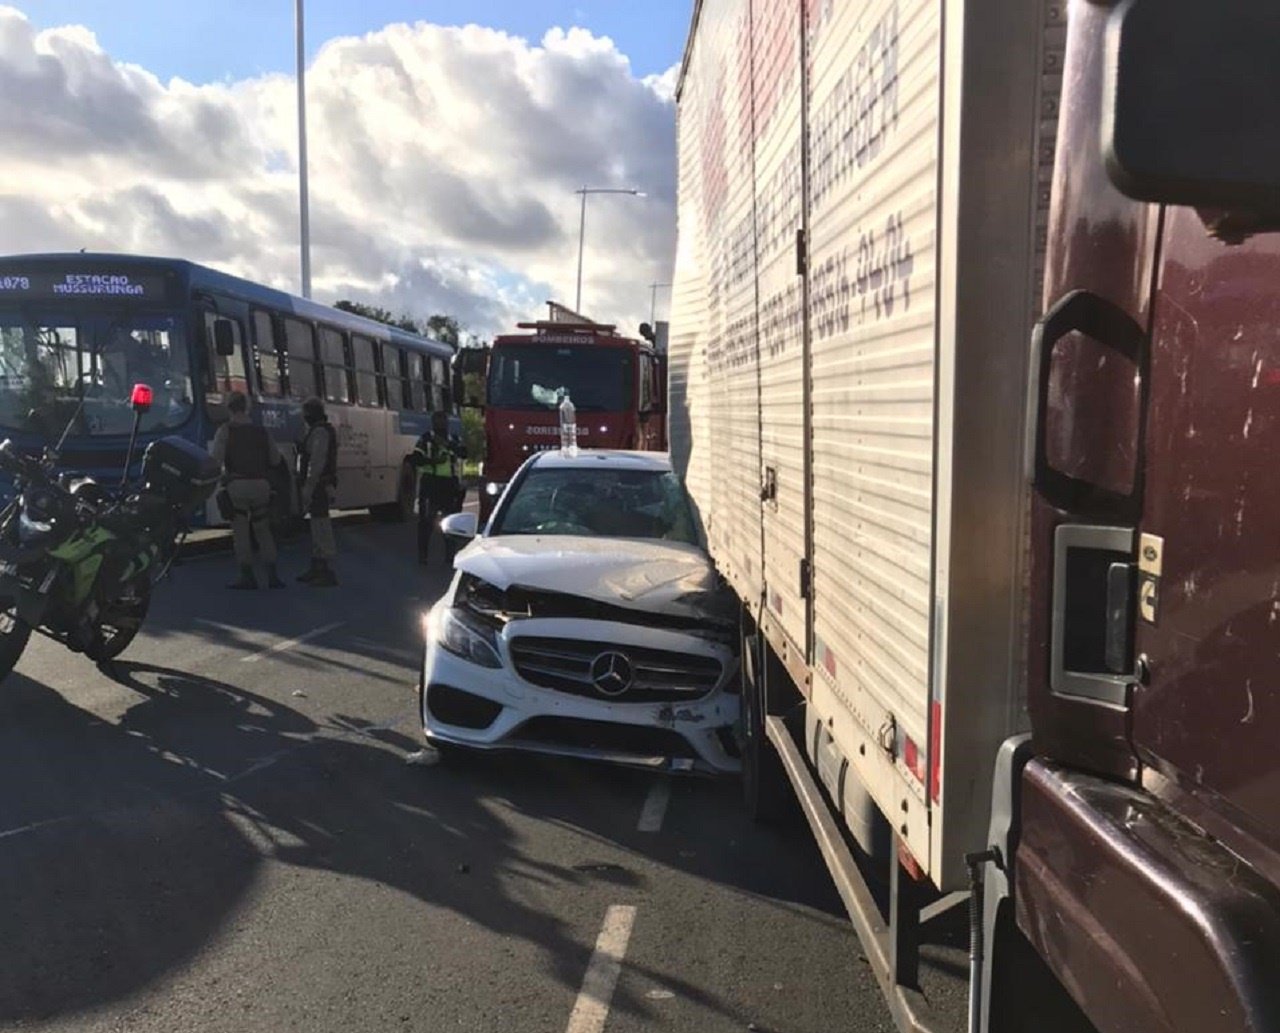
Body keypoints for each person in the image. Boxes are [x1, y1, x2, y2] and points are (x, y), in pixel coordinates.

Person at [210, 391, 285, 590]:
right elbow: (275, 460)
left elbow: (215, 460)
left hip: (238, 486)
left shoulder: (226, 430)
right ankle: (272, 574)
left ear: (229, 408)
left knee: (241, 531)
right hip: (262, 486)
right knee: (263, 529)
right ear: (246, 407)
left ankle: (246, 575)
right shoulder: (262, 431)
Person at [297, 397, 339, 587]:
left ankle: (325, 568)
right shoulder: (320, 430)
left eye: (306, 415)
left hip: (319, 485)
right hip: (320, 484)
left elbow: (317, 462)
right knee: (316, 524)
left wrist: (309, 486)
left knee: (321, 524)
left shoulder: (320, 432)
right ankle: (316, 566)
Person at [412, 410, 460, 565]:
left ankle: (450, 556)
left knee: (450, 523)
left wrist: (450, 445)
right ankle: (422, 555)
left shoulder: (453, 439)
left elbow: (464, 453)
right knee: (426, 521)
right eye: (437, 421)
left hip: (449, 485)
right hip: (430, 484)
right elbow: (415, 459)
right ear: (433, 423)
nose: (441, 424)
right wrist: (433, 461)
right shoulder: (426, 439)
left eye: (443, 421)